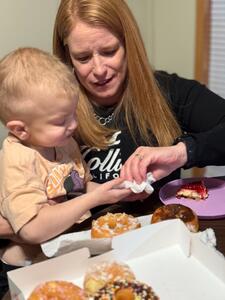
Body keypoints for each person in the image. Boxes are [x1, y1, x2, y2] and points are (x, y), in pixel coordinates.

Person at [2, 0, 225, 278]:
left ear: (128, 43)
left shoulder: (170, 93)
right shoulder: (51, 109)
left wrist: (182, 152)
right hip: (69, 262)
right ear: (66, 55)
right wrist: (19, 220)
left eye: (109, 51)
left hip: (151, 252)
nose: (98, 69)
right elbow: (21, 199)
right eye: (83, 58)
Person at [0, 47, 131, 298]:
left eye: (74, 114)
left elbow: (79, 187)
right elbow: (33, 229)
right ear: (21, 130)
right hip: (27, 267)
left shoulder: (63, 142)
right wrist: (95, 198)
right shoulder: (18, 160)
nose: (74, 125)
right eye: (62, 121)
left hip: (67, 250)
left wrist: (115, 189)